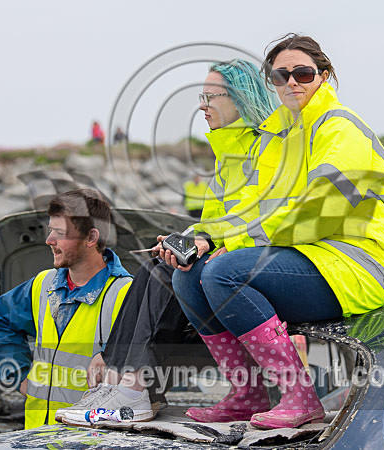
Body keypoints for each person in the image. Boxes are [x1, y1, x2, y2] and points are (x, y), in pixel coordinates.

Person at [162, 33, 384, 430]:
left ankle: (299, 396)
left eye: (303, 73)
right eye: (281, 76)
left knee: (225, 272)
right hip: (312, 257)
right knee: (189, 274)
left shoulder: (340, 129)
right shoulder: (277, 138)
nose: (292, 82)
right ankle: (247, 393)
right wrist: (204, 238)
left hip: (359, 264)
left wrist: (237, 246)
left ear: (324, 76)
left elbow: (319, 213)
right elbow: (246, 210)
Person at [69, 58, 279, 423]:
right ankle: (118, 375)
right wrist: (191, 240)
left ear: (241, 99)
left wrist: (223, 246)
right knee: (157, 261)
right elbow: (213, 223)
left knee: (173, 272)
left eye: (212, 96)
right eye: (202, 95)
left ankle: (136, 388)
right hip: (235, 254)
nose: (202, 105)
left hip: (263, 262)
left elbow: (275, 218)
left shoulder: (269, 149)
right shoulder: (229, 157)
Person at [0, 189, 133, 429]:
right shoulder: (43, 284)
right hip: (36, 436)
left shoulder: (125, 293)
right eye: (50, 231)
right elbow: (3, 319)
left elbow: (148, 361)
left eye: (59, 233)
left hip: (93, 440)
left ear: (91, 238)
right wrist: (19, 377)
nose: (49, 241)